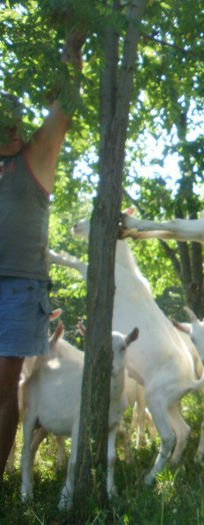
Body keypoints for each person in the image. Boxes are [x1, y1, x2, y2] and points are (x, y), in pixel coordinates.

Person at [0, 25, 84, 489]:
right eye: (1, 121)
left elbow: (64, 108)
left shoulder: (35, 157)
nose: (11, 128)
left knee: (3, 383)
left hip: (17, 288)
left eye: (15, 119)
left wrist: (73, 43)